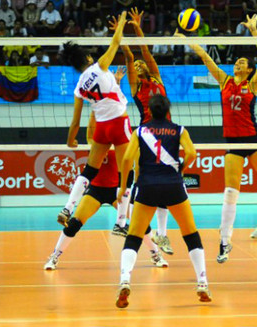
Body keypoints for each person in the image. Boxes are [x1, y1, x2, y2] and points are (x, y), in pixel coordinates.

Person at [175, 14, 257, 264]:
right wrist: (187, 39)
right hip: (233, 143)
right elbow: (206, 57)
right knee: (230, 193)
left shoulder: (253, 85)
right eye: (237, 62)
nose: (237, 64)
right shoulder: (224, 81)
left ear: (248, 69)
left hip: (253, 139)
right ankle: (225, 242)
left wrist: (254, 31)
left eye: (241, 62)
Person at [115, 94, 212, 308]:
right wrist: (181, 169)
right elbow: (193, 152)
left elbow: (126, 159)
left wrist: (123, 187)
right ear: (168, 111)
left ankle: (124, 280)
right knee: (191, 234)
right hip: (173, 185)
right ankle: (202, 282)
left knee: (133, 236)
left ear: (149, 111)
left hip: (147, 185)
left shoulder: (139, 131)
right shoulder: (179, 130)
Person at [44, 116, 168, 271]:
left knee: (140, 222)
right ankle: (55, 256)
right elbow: (91, 132)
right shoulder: (96, 143)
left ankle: (155, 254)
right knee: (74, 223)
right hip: (96, 190)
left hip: (118, 191)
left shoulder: (123, 145)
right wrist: (96, 111)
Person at [58, 12, 132, 239]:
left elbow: (75, 121)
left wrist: (70, 140)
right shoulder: (100, 66)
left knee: (90, 170)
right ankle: (121, 222)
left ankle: (68, 207)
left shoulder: (79, 86)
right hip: (119, 123)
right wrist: (120, 24)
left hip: (101, 128)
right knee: (126, 173)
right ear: (88, 58)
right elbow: (116, 42)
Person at [111, 7, 173, 255]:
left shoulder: (156, 77)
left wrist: (137, 28)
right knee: (142, 180)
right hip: (147, 134)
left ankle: (162, 236)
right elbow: (129, 58)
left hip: (168, 134)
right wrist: (119, 34)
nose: (137, 66)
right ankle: (123, 222)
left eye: (139, 65)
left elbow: (145, 52)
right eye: (134, 66)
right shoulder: (136, 88)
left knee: (167, 183)